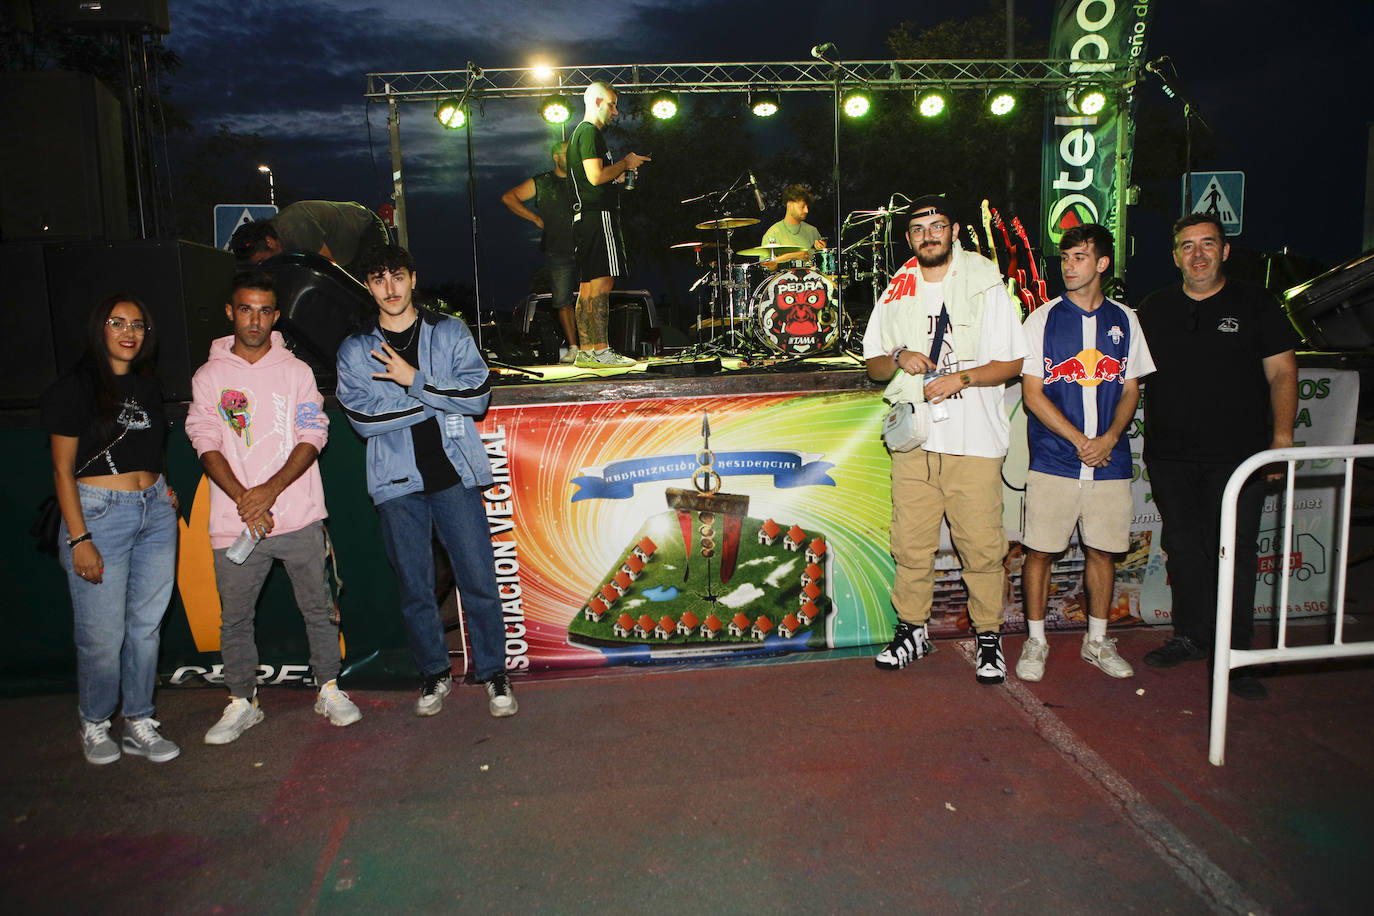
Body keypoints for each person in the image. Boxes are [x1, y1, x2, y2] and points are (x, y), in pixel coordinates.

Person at [335, 245, 518, 719]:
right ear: (368, 286)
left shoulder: (449, 331)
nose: (390, 288)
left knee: (478, 579)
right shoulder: (356, 348)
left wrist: (414, 379)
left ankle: (494, 674)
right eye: (378, 279)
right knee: (416, 588)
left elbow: (477, 396)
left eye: (397, 276)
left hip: (454, 474)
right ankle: (434, 673)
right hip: (396, 484)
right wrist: (437, 398)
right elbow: (362, 418)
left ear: (414, 278)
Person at [185, 271, 359, 744]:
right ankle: (243, 701)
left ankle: (329, 688)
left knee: (319, 611)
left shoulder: (297, 372)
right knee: (235, 619)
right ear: (230, 312)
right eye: (246, 309)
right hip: (235, 521)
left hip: (299, 516)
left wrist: (269, 492)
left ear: (276, 316)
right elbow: (203, 439)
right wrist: (247, 499)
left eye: (265, 311)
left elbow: (313, 434)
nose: (255, 320)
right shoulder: (209, 376)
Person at [863, 195, 1028, 684]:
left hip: (973, 440)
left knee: (981, 549)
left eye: (936, 226)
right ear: (909, 237)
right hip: (916, 440)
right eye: (918, 229)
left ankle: (989, 638)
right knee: (910, 546)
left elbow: (1013, 363)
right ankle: (912, 631)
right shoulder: (896, 287)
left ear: (954, 230)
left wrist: (963, 378)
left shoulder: (985, 281)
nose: (928, 235)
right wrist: (898, 354)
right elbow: (873, 365)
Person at [1136, 213, 1299, 700]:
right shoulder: (1154, 308)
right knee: (1184, 550)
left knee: (1236, 553)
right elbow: (1123, 378)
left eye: (1208, 244)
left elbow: (1283, 375)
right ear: (1175, 257)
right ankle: (1190, 635)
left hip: (1239, 459)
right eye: (1187, 246)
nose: (1198, 254)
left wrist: (1283, 440)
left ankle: (1239, 655)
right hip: (1170, 458)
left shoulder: (1256, 303)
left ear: (1225, 251)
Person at [42, 294, 181, 765]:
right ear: (98, 328)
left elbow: (150, 450)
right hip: (98, 515)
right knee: (102, 636)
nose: (129, 332)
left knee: (146, 629)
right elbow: (62, 472)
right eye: (117, 322)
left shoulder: (148, 386)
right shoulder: (73, 388)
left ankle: (138, 719)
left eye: (138, 324)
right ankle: (95, 721)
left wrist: (165, 489)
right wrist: (79, 538)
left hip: (155, 513)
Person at [1015, 224, 1155, 682]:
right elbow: (1033, 394)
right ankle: (1036, 641)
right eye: (1065, 257)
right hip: (1055, 460)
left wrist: (1111, 437)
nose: (1068, 265)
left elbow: (1131, 388)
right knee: (1039, 552)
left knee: (1103, 551)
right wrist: (1080, 441)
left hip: (1111, 462)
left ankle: (1096, 641)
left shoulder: (1126, 320)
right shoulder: (1042, 319)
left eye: (1078, 257)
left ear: (1101, 263)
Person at [567, 81, 651, 369]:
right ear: (599, 101)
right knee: (602, 282)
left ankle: (587, 352)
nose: (616, 111)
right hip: (598, 217)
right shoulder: (589, 132)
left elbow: (595, 178)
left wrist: (617, 177)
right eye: (613, 104)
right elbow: (594, 176)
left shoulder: (580, 133)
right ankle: (601, 350)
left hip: (584, 217)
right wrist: (625, 164)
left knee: (588, 287)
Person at [502, 141, 580, 363]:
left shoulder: (581, 180)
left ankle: (594, 346)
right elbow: (509, 198)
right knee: (562, 299)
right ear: (556, 157)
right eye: (568, 154)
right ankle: (574, 347)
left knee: (590, 295)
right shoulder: (542, 182)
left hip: (586, 244)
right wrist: (535, 218)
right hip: (557, 247)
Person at [229, 201, 390, 280]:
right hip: (344, 253)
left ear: (269, 242)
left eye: (261, 260)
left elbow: (328, 268)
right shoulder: (278, 239)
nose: (262, 266)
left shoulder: (296, 228)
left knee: (373, 282)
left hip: (365, 230)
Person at [758, 184, 827, 270]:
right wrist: (793, 256)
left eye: (807, 206)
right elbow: (765, 265)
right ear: (790, 205)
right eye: (802, 207)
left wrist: (823, 251)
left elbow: (823, 265)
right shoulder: (773, 233)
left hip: (811, 281)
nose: (806, 210)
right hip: (783, 282)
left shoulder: (812, 231)